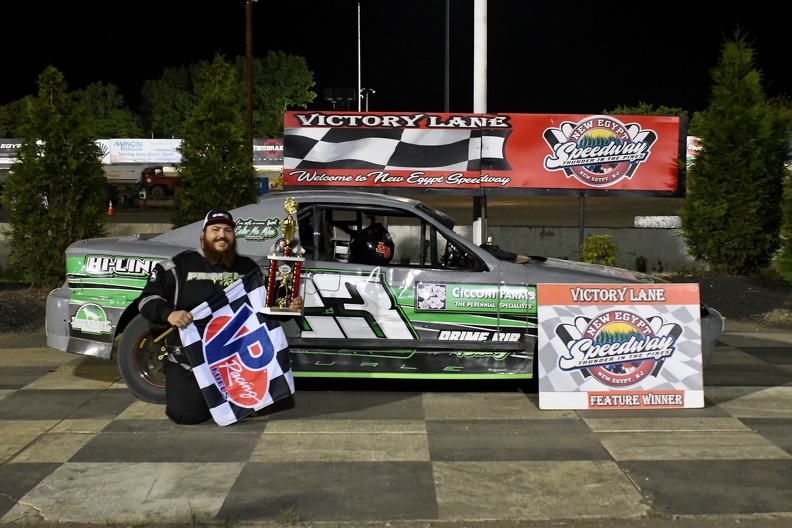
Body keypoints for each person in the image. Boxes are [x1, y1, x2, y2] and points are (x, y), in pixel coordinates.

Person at [138, 208, 303, 425]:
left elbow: (269, 308)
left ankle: (226, 398)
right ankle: (212, 397)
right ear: (203, 235)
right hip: (190, 360)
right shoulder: (177, 267)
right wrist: (169, 314)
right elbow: (147, 300)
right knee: (185, 415)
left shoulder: (249, 269)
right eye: (215, 229)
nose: (221, 235)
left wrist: (288, 307)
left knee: (266, 403)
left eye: (227, 230)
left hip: (238, 361)